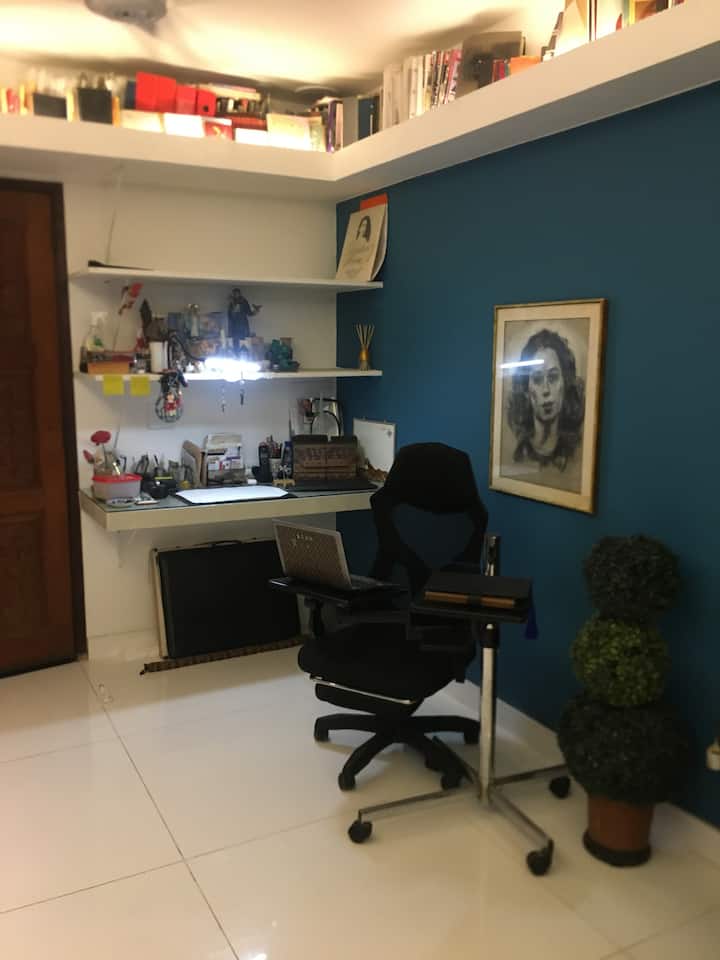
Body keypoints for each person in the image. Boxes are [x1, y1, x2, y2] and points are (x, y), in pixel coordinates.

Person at [506, 328, 585, 471]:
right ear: (526, 388)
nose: (546, 390)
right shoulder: (519, 455)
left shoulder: (576, 453)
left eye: (553, 377)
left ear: (565, 382)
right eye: (537, 379)